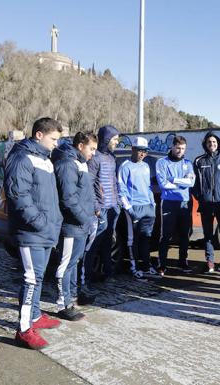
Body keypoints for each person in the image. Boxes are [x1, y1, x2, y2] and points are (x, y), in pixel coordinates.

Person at [4, 117, 64, 349]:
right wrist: (40, 223)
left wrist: (54, 222)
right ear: (39, 135)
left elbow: (50, 197)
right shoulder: (21, 158)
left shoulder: (44, 159)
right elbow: (19, 196)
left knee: (38, 278)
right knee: (31, 280)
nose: (56, 144)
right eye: (53, 139)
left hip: (46, 231)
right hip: (31, 233)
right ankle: (23, 330)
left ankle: (36, 316)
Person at [52, 131, 98, 321]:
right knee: (65, 265)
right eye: (92, 149)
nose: (93, 153)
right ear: (80, 146)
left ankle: (72, 297)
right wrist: (84, 218)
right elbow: (68, 199)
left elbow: (86, 192)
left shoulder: (81, 163)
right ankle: (63, 304)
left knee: (74, 263)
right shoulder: (67, 164)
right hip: (72, 225)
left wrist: (94, 210)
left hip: (81, 224)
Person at [193, 132, 220, 273]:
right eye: (209, 142)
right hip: (206, 204)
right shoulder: (199, 161)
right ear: (205, 145)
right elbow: (193, 183)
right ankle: (210, 262)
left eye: (214, 142)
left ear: (218, 144)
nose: (212, 144)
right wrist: (200, 197)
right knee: (208, 235)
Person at [117, 137, 158, 279]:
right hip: (134, 207)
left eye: (145, 151)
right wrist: (129, 208)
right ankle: (133, 267)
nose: (142, 154)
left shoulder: (146, 166)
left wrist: (153, 203)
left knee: (146, 238)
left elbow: (148, 187)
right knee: (132, 239)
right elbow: (121, 188)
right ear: (133, 150)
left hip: (148, 207)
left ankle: (146, 266)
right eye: (140, 150)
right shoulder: (125, 166)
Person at [155, 135, 196, 276]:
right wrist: (181, 182)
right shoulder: (162, 163)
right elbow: (163, 184)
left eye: (183, 148)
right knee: (165, 235)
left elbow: (191, 183)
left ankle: (182, 263)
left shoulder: (188, 163)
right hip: (168, 203)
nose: (180, 151)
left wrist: (173, 179)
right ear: (172, 146)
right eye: (178, 148)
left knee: (185, 234)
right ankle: (162, 264)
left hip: (184, 202)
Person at [87, 125, 120, 284]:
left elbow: (114, 183)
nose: (117, 142)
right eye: (114, 139)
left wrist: (118, 203)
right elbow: (89, 184)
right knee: (93, 244)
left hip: (113, 208)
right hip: (100, 209)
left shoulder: (112, 158)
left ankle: (108, 273)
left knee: (108, 242)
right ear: (106, 139)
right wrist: (96, 208)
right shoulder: (95, 158)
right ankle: (86, 277)